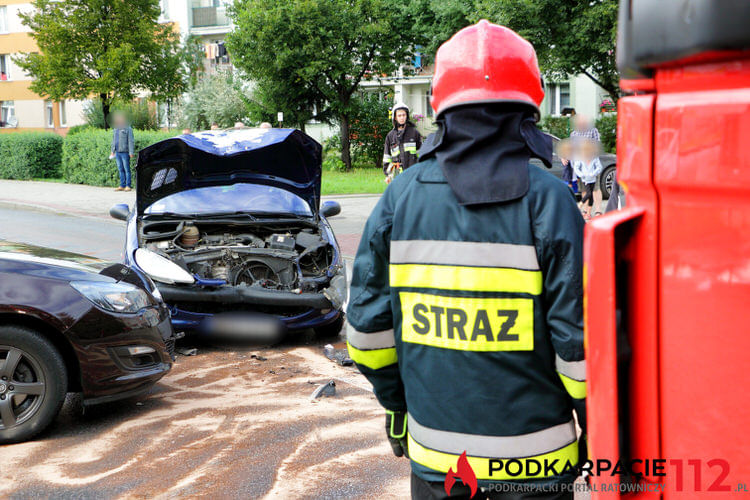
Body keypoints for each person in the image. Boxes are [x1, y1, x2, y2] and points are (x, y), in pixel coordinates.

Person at [347, 21, 586, 500]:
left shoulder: (400, 198)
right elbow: (582, 350)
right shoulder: (551, 202)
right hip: (536, 469)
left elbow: (368, 335)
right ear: (529, 105)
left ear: (441, 106)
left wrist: (397, 410)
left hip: (438, 466)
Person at [569, 114, 602, 213]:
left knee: (595, 188)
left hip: (592, 164)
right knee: (584, 189)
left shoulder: (593, 131)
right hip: (581, 166)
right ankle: (586, 211)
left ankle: (598, 210)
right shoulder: (574, 134)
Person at [382, 102, 422, 183]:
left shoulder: (414, 133)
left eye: (404, 115)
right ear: (395, 118)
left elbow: (421, 154)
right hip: (397, 176)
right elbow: (387, 157)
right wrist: (387, 174)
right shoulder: (390, 136)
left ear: (407, 116)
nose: (402, 118)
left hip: (413, 174)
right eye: (399, 115)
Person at [572, 139, 603, 220]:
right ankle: (579, 205)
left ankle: (588, 214)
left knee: (591, 196)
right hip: (585, 179)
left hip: (592, 179)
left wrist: (593, 173)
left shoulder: (594, 157)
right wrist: (582, 175)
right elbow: (576, 167)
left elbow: (599, 167)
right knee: (588, 193)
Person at [110, 112, 134, 192]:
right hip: (117, 153)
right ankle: (122, 185)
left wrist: (131, 152)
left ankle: (128, 186)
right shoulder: (115, 129)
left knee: (127, 169)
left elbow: (131, 141)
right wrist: (112, 151)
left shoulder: (128, 128)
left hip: (125, 152)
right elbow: (114, 140)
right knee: (120, 169)